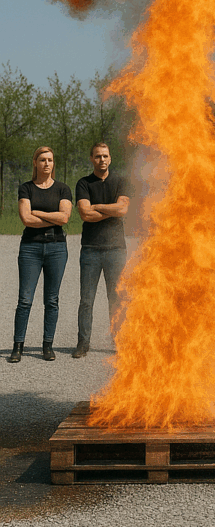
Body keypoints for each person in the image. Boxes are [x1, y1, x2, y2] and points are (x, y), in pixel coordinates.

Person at [9, 146, 72, 363]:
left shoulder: (63, 189)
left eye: (50, 160)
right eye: (43, 160)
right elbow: (26, 219)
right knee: (25, 300)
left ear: (53, 164)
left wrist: (38, 212)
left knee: (51, 300)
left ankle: (47, 346)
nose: (47, 164)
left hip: (57, 248)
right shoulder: (26, 188)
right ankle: (18, 346)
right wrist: (51, 217)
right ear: (35, 163)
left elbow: (65, 218)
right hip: (30, 248)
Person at [73, 143, 130, 359]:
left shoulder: (120, 182)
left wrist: (96, 206)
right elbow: (85, 214)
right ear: (91, 159)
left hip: (116, 249)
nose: (102, 160)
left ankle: (120, 343)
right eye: (98, 156)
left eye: (105, 156)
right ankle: (83, 343)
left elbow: (122, 209)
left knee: (116, 299)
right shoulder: (84, 183)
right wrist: (111, 210)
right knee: (86, 300)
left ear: (110, 158)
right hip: (91, 249)